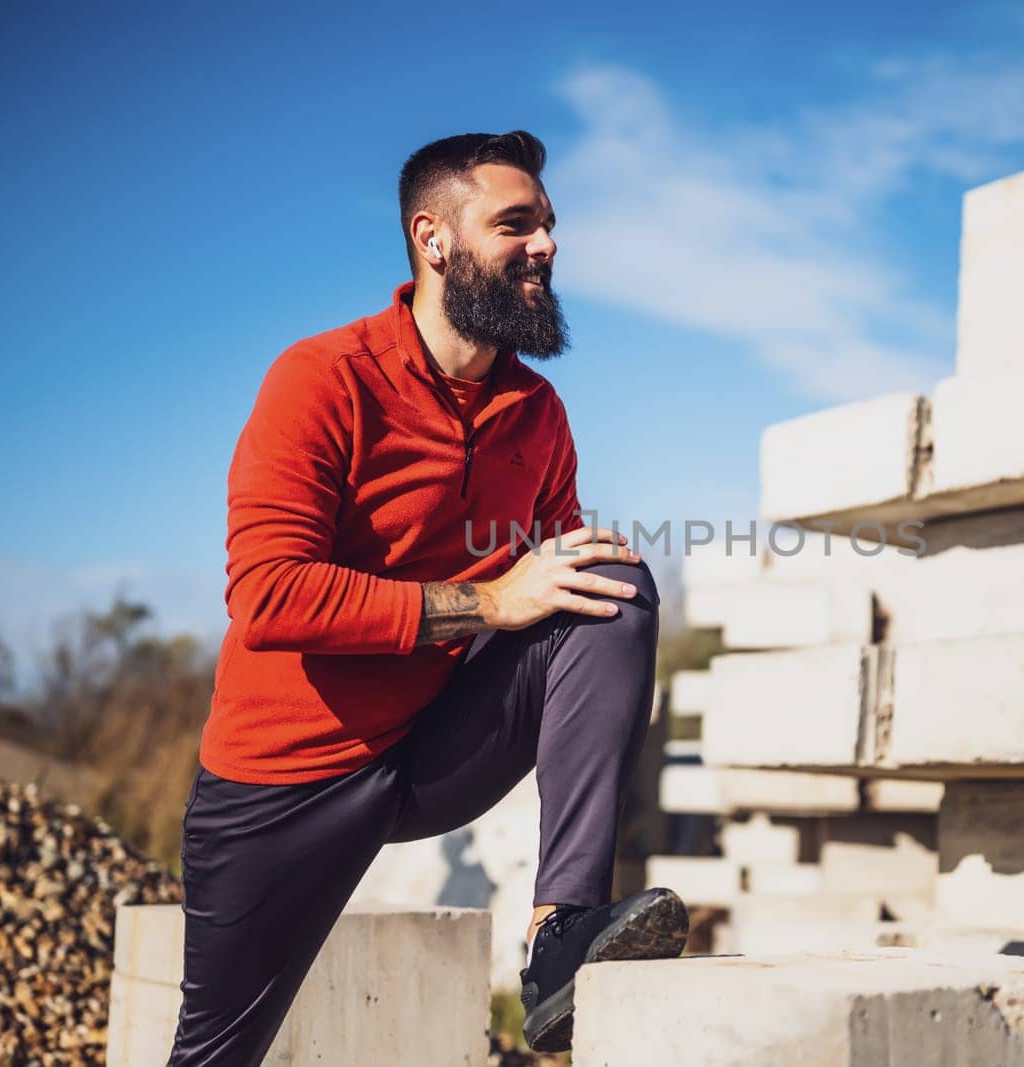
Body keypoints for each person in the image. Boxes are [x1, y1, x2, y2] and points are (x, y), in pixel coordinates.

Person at [168, 130, 686, 1064]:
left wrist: (526, 596)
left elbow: (554, 594)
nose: (547, 245)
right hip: (282, 781)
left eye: (549, 225)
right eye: (515, 224)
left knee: (608, 584)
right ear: (434, 239)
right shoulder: (323, 378)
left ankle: (560, 933)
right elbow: (270, 595)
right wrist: (491, 602)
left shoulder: (539, 413)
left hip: (433, 750)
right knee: (215, 1054)